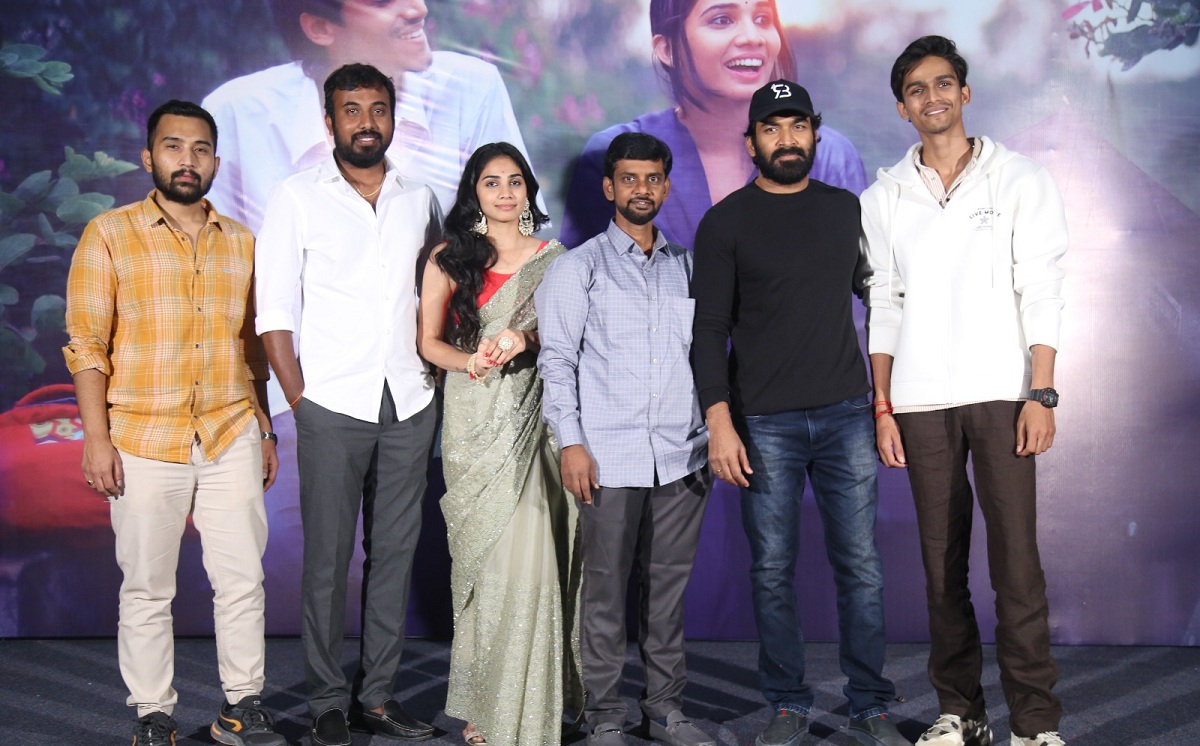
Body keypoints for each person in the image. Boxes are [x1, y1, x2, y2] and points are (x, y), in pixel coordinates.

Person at [861, 36, 1068, 746]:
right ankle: (962, 713)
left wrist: (1041, 393)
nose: (933, 97)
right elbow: (883, 303)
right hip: (919, 402)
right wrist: (883, 405)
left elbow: (1042, 288)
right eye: (916, 89)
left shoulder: (1021, 179)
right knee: (941, 568)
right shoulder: (883, 197)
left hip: (1004, 394)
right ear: (902, 108)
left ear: (965, 93)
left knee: (1017, 567)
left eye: (943, 83)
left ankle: (1034, 725)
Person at [690, 81, 906, 746]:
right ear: (751, 141)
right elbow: (708, 331)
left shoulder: (847, 211)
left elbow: (885, 301)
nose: (786, 139)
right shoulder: (725, 222)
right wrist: (720, 422)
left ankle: (870, 704)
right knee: (771, 571)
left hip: (846, 416)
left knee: (861, 568)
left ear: (815, 132)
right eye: (772, 128)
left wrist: (885, 401)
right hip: (764, 425)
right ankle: (787, 701)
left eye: (797, 126)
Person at [62, 100, 284, 746]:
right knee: (147, 587)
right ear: (148, 157)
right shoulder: (109, 234)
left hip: (229, 431)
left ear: (215, 161)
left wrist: (264, 429)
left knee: (242, 580)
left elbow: (252, 348)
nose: (188, 160)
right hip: (141, 436)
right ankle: (154, 715)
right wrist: (96, 439)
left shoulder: (242, 242)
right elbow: (86, 343)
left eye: (200, 149)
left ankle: (242, 706)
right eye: (173, 146)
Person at [253, 63, 441, 746]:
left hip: (410, 401)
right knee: (329, 563)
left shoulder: (421, 198)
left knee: (394, 556)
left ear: (393, 116)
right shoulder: (297, 196)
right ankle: (327, 700)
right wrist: (299, 399)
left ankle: (378, 697)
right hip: (330, 403)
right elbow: (273, 310)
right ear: (329, 120)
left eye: (378, 108)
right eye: (351, 109)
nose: (366, 122)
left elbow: (438, 294)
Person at [537, 132, 714, 746]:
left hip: (682, 457)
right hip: (607, 458)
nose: (642, 189)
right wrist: (571, 443)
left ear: (666, 186)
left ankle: (665, 710)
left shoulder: (688, 267)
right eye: (630, 179)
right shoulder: (577, 268)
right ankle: (605, 715)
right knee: (606, 595)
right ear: (609, 187)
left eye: (653, 179)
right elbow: (557, 362)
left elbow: (707, 357)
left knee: (666, 595)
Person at [416, 142, 582, 746]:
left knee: (531, 562)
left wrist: (525, 338)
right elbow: (429, 342)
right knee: (484, 567)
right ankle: (486, 706)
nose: (506, 192)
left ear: (528, 191)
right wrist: (471, 363)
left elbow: (568, 335)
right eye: (492, 182)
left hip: (533, 421)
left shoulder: (554, 260)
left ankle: (529, 708)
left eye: (515, 181)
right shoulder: (448, 257)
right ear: (475, 192)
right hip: (471, 420)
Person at [203, 0, 537, 232]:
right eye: (382, 2)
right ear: (320, 27)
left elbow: (516, 234)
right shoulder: (237, 115)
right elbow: (216, 263)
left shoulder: (470, 89)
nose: (418, 9)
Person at [560, 0, 866, 251]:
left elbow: (854, 297)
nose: (752, 37)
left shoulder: (828, 157)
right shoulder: (611, 156)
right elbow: (580, 291)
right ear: (667, 48)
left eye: (762, 18)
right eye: (722, 19)